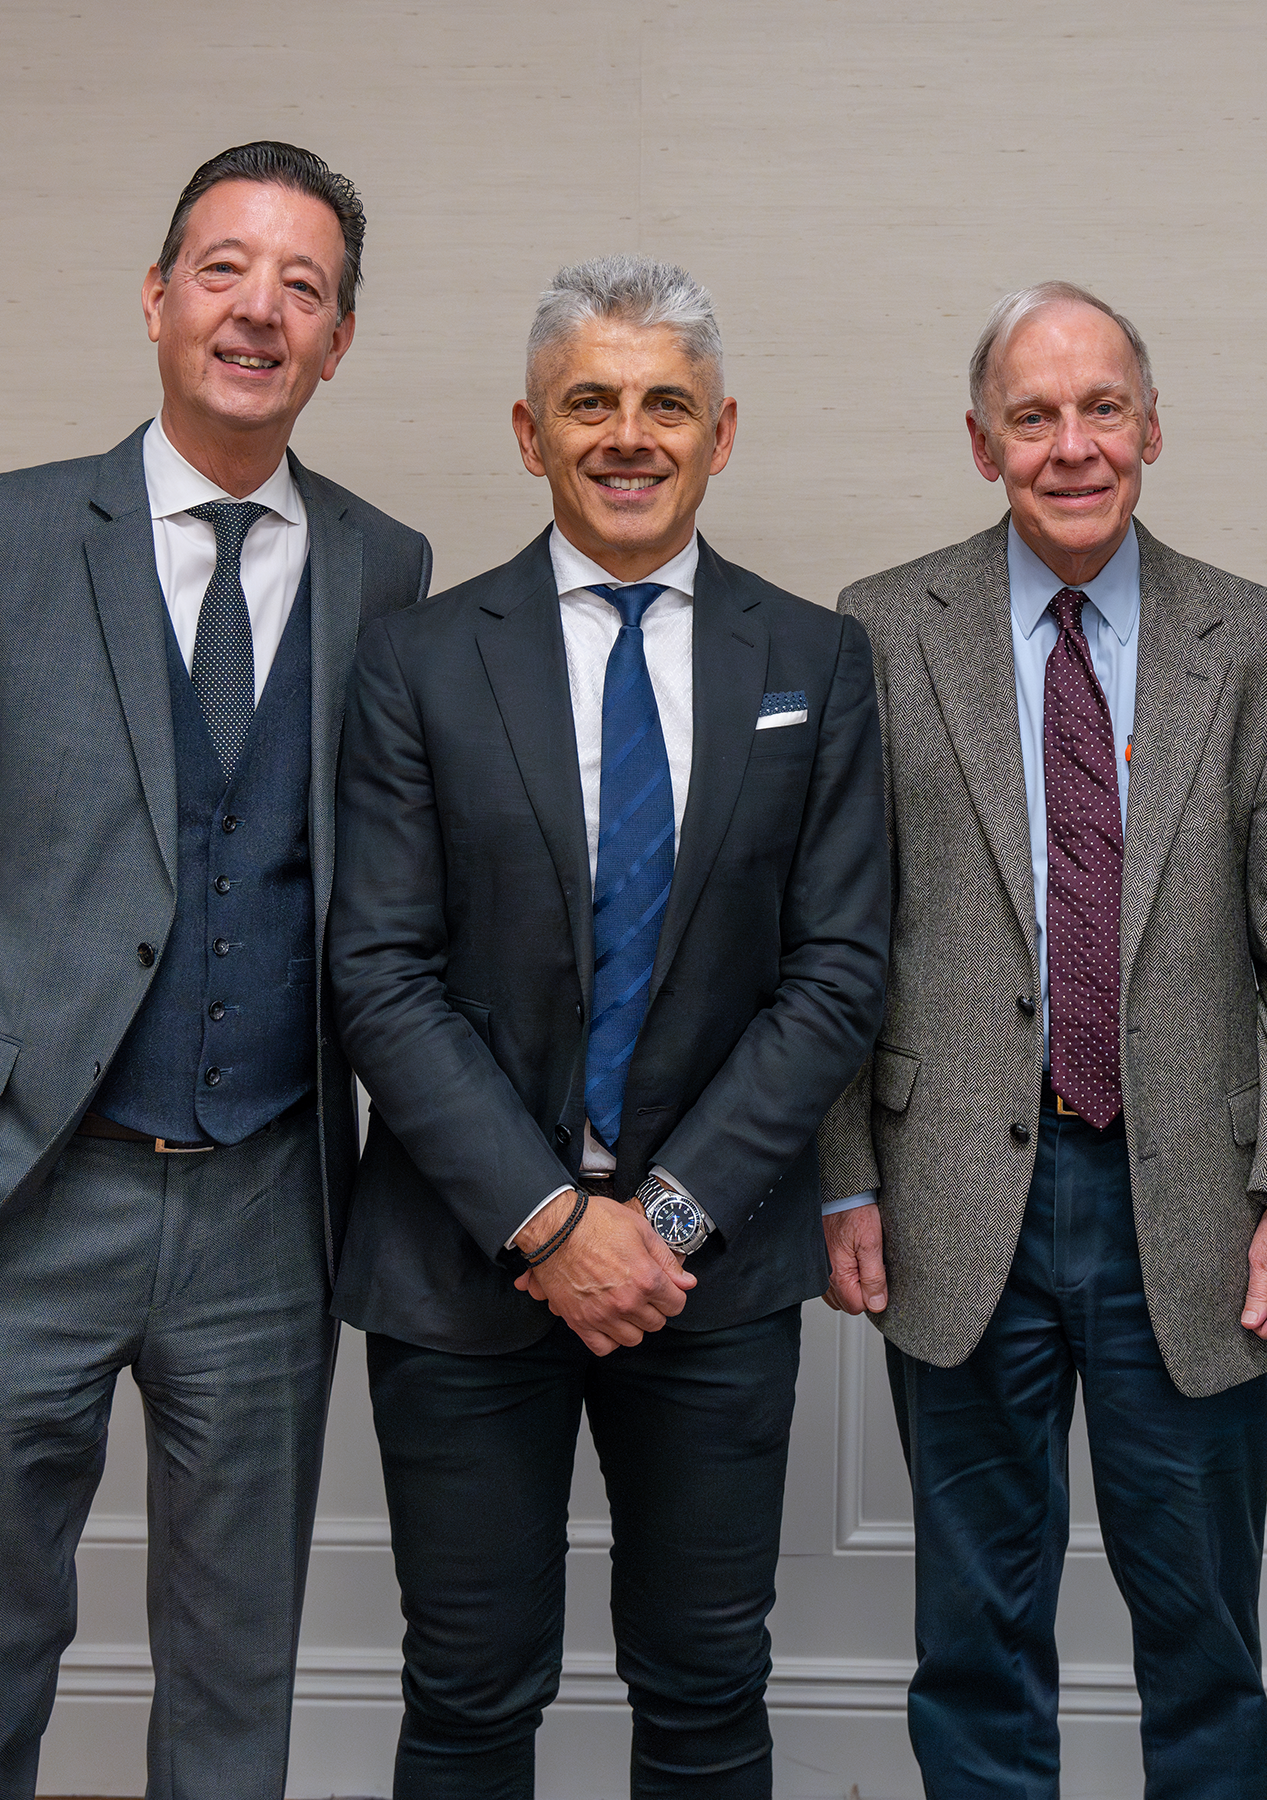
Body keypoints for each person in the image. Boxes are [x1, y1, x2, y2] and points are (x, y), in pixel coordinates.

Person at [327, 254, 888, 1800]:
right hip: (461, 1264)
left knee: (707, 1693)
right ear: (530, 432)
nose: (627, 435)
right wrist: (545, 1219)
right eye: (591, 402)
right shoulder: (418, 661)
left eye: (665, 405)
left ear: (722, 432)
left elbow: (836, 972)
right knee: (465, 1695)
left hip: (709, 1278)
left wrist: (663, 1221)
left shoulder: (815, 663)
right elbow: (380, 970)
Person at [816, 281, 1267, 1799]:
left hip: (1195, 1207)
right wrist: (845, 1176)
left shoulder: (1264, 647)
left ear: (1153, 427)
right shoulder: (877, 630)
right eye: (1035, 415)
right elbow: (837, 942)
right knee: (974, 1644)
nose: (1072, 445)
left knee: (1203, 1643)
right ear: (982, 442)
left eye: (1101, 409)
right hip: (953, 1202)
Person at [0, 142, 431, 1800]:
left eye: (304, 288)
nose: (260, 308)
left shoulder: (387, 568)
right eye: (227, 268)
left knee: (237, 1663)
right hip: (37, 1182)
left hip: (267, 1193)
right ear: (159, 295)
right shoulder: (26, 531)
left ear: (337, 343)